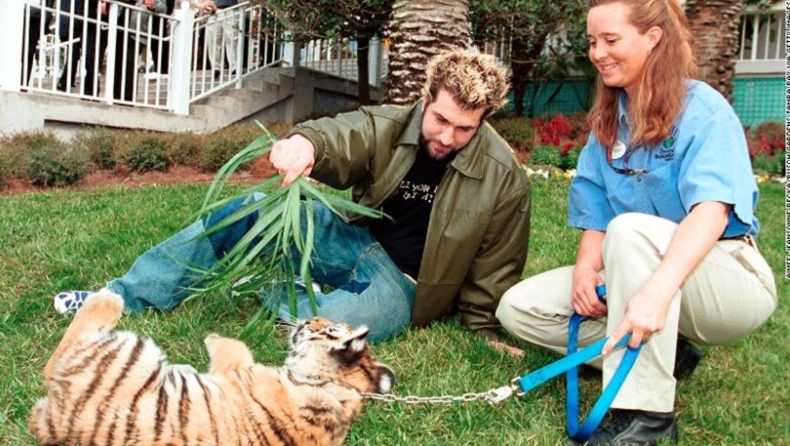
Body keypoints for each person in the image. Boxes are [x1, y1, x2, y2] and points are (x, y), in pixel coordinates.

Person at [54, 48, 532, 350]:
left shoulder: (505, 177)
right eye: (440, 120)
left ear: (485, 118)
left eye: (464, 128)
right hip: (352, 239)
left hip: (405, 286)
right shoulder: (390, 123)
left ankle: (294, 297)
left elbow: (497, 262)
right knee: (238, 214)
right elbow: (347, 134)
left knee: (316, 335)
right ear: (426, 99)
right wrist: (307, 145)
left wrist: (482, 326)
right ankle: (118, 297)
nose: (447, 137)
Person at [495, 0, 777, 444]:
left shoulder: (703, 108)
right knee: (520, 308)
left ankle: (645, 415)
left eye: (610, 40)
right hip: (641, 268)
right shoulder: (610, 120)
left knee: (633, 229)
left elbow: (712, 211)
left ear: (652, 38)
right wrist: (587, 270)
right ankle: (669, 354)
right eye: (592, 42)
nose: (597, 53)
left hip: (727, 279)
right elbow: (597, 211)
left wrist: (655, 294)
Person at [204, 0, 239, 80]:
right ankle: (216, 68)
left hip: (230, 9)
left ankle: (234, 66)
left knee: (232, 39)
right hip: (213, 11)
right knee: (213, 40)